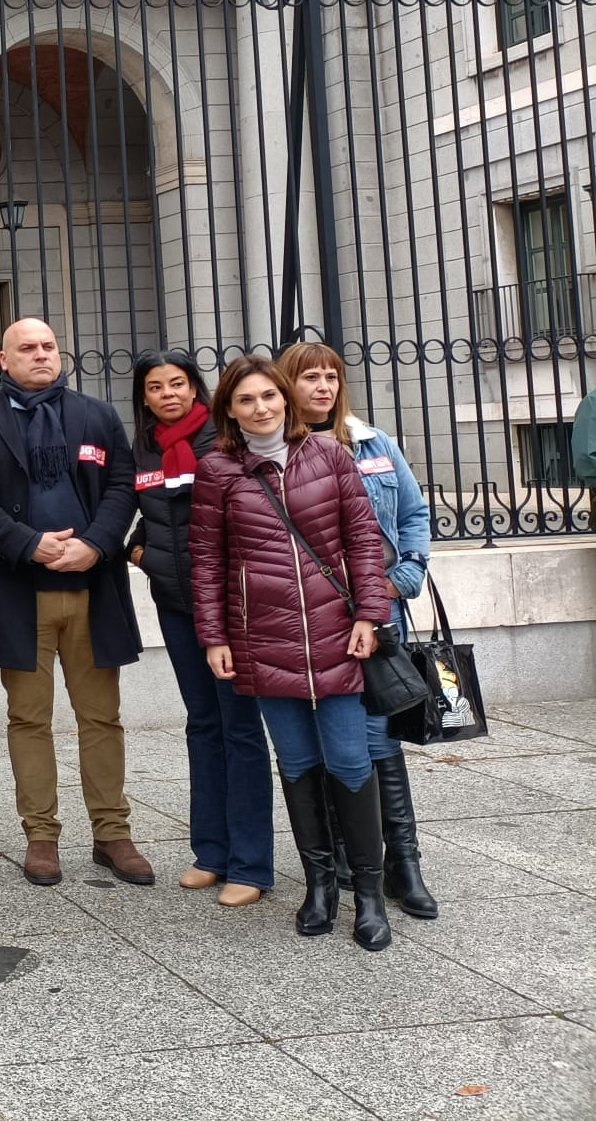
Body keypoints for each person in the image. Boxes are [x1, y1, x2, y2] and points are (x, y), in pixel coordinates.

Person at [190, 355, 393, 951]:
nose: (261, 408)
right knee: (299, 764)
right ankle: (320, 887)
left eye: (269, 397)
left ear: (285, 398)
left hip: (337, 633)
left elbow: (362, 539)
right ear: (229, 409)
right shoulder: (218, 471)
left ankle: (370, 897)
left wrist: (370, 614)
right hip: (264, 640)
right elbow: (207, 563)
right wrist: (215, 636)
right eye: (246, 400)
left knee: (351, 763)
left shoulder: (330, 456)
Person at [0, 318, 151, 889]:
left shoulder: (96, 415)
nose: (41, 355)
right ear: (3, 361)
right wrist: (28, 544)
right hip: (18, 593)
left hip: (92, 590)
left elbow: (123, 485)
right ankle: (41, 836)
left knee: (101, 717)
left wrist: (94, 545)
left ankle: (112, 834)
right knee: (28, 719)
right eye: (27, 349)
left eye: (48, 346)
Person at [279, 341, 438, 921]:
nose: (322, 386)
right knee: (323, 742)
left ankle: (404, 865)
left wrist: (405, 576)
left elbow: (415, 514)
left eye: (331, 376)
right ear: (286, 385)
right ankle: (343, 858)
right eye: (309, 377)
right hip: (313, 619)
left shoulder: (373, 443)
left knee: (378, 741)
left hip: (377, 615)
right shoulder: (280, 453)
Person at [125, 349, 273, 907]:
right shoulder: (143, 448)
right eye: (157, 386)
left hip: (232, 606)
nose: (168, 393)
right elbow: (142, 510)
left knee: (240, 728)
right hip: (175, 602)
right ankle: (210, 852)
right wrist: (139, 551)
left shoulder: (224, 439)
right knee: (202, 724)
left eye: (179, 384)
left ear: (196, 390)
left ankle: (252, 865)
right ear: (144, 396)